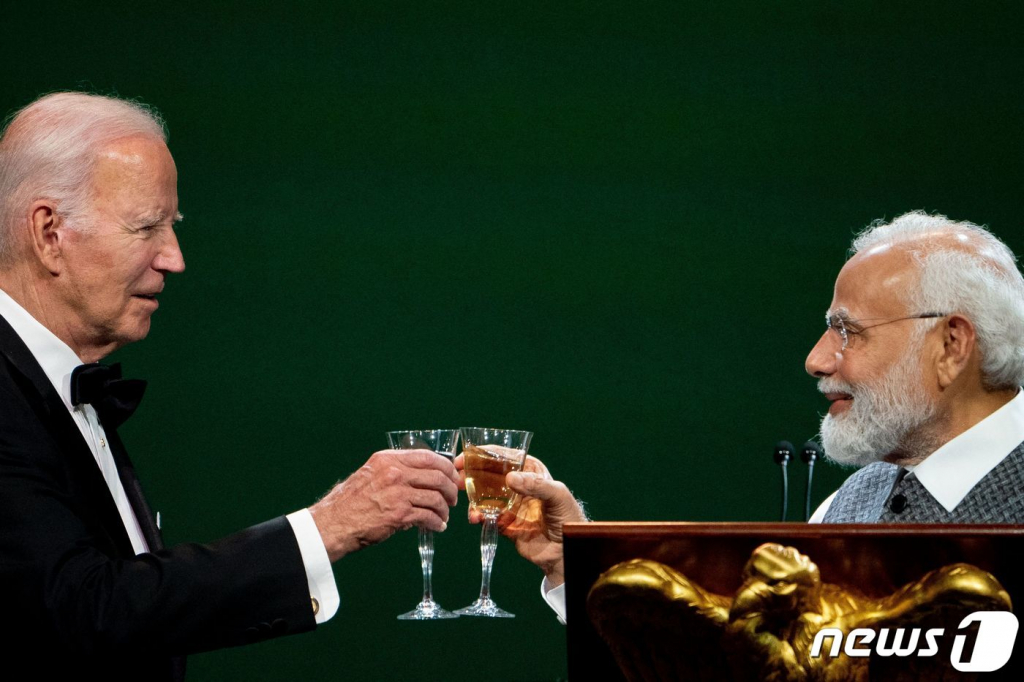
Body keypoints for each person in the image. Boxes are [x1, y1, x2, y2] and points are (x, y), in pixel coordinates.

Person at [0, 92, 459, 680]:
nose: (174, 258)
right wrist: (329, 526)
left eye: (172, 227)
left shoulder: (63, 386)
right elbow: (85, 609)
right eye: (146, 227)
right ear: (49, 233)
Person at [462, 211, 1024, 623]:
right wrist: (575, 558)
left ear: (951, 346)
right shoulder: (849, 504)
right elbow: (732, 661)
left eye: (848, 331)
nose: (817, 359)